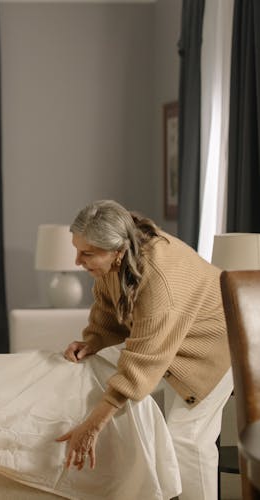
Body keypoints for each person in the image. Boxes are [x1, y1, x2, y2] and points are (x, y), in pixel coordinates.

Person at [56, 199, 232, 500]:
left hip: (215, 349)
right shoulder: (115, 260)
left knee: (186, 440)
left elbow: (142, 363)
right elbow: (108, 311)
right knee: (101, 377)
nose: (77, 261)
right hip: (169, 342)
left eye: (87, 253)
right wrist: (94, 341)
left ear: (118, 250)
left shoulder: (159, 281)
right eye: (77, 249)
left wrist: (93, 426)